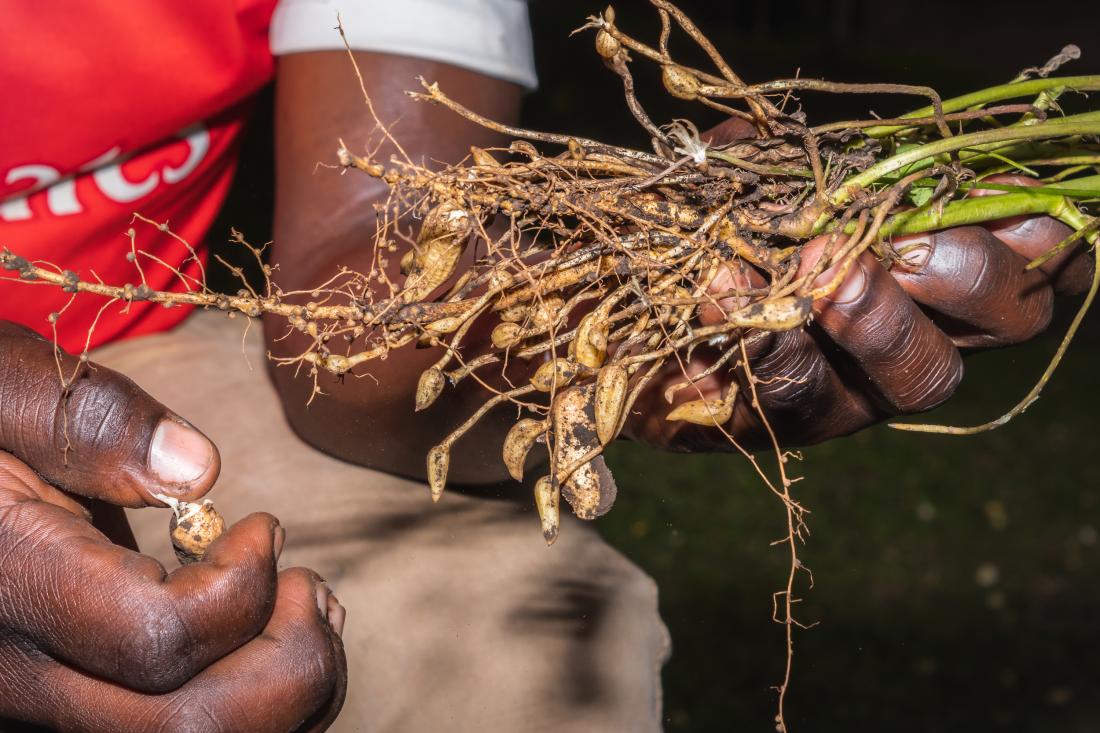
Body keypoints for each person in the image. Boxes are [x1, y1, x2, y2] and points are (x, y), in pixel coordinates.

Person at [0, 1, 1090, 730]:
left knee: (516, 643)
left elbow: (361, 272)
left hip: (118, 346)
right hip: (104, 355)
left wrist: (607, 321)